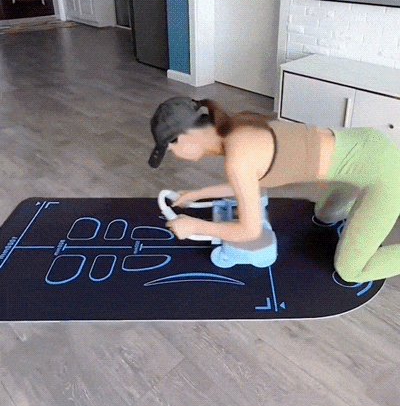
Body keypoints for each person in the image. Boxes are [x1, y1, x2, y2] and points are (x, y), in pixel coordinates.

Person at [148, 96, 400, 283]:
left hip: (386, 175)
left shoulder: (238, 160)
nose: (175, 155)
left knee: (350, 270)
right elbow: (251, 180)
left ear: (184, 137)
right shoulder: (239, 126)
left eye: (171, 149)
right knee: (325, 215)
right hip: (366, 145)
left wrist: (193, 226)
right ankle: (359, 198)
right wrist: (198, 194)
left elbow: (249, 231)